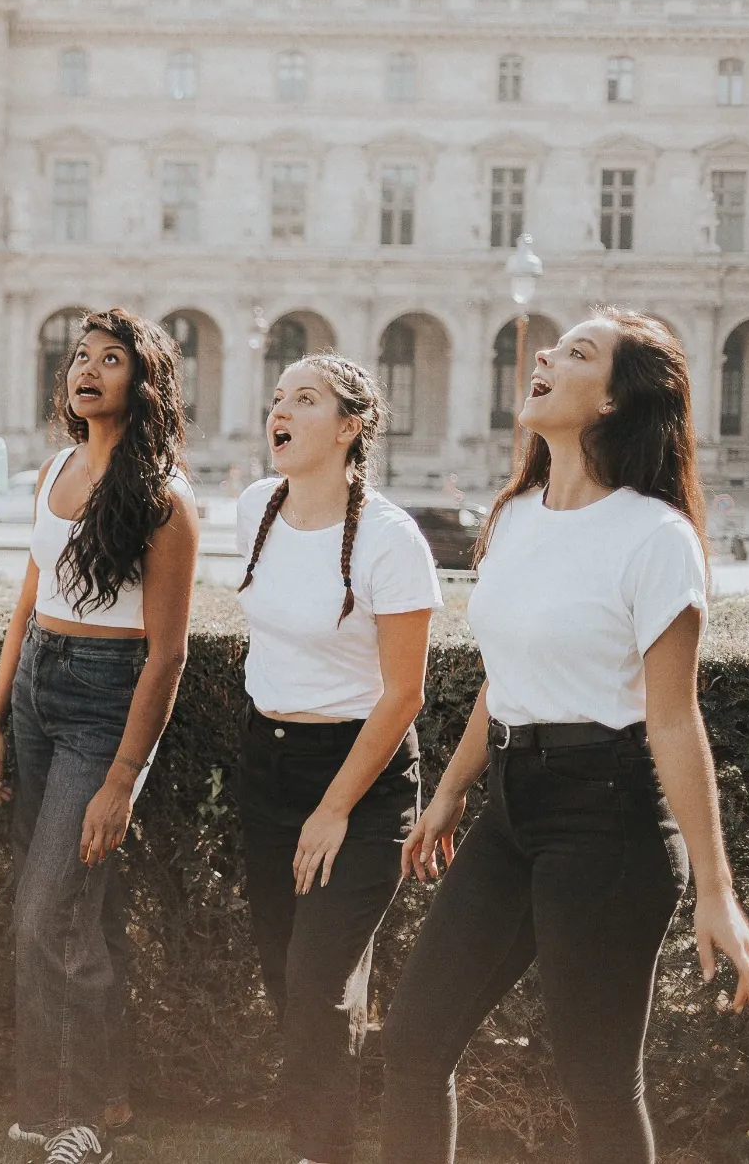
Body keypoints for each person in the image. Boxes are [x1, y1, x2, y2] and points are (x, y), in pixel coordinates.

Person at [383, 311, 749, 1164]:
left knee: (597, 1084)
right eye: (555, 346)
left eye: (579, 353)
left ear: (613, 403)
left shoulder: (656, 536)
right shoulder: (517, 515)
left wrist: (717, 888)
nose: (548, 355)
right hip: (513, 808)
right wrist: (450, 791)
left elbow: (674, 717)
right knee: (412, 1044)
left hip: (609, 820)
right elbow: (508, 674)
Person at [0, 308, 199, 1164]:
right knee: (72, 917)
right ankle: (57, 1102)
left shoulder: (164, 501)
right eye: (81, 356)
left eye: (112, 359)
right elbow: (29, 603)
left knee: (47, 912)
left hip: (105, 703)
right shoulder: (54, 469)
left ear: (144, 385)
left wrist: (122, 777)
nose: (89, 369)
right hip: (38, 685)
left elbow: (168, 652)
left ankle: (85, 1118)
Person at [232, 356, 441, 1164]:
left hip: (360, 777)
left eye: (305, 398)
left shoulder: (392, 540)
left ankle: (320, 1151)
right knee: (290, 980)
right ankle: (322, 1134)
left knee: (317, 983)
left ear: (350, 427)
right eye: (278, 395)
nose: (279, 408)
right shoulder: (255, 506)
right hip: (267, 765)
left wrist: (333, 807)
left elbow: (404, 694)